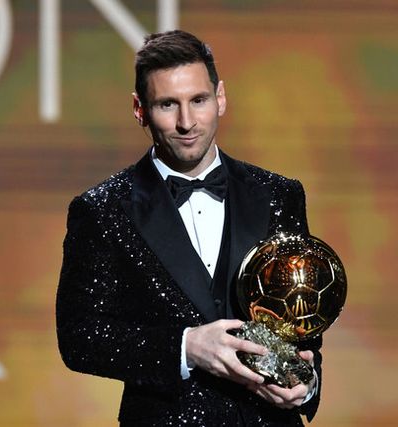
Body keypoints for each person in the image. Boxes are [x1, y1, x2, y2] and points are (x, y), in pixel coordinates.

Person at [56, 30, 322, 426]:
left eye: (198, 100)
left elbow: (305, 319)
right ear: (139, 109)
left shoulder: (280, 194)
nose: (186, 122)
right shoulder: (100, 210)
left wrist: (308, 384)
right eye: (167, 104)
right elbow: (80, 338)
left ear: (220, 98)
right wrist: (186, 347)